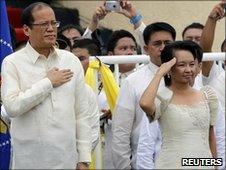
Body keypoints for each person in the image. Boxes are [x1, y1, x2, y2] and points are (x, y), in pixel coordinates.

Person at [1, 2, 91, 169]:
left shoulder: (70, 60)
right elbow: (12, 106)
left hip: (67, 161)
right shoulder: (12, 62)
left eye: (53, 23)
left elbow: (81, 114)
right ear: (27, 29)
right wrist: (48, 83)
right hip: (29, 162)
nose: (51, 29)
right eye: (44, 24)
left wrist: (84, 159)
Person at [139, 41, 218, 169]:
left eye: (192, 64)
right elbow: (145, 103)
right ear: (169, 68)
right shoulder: (163, 96)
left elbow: (211, 137)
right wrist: (159, 74)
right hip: (171, 164)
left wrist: (215, 166)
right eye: (181, 65)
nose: (188, 70)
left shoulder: (207, 95)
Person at [111, 22, 176, 169]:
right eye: (157, 43)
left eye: (168, 43)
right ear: (146, 49)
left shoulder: (190, 79)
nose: (163, 48)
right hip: (144, 164)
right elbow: (121, 132)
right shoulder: (133, 82)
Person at [72, 38, 101, 151]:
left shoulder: (113, 83)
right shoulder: (70, 89)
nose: (76, 63)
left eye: (81, 59)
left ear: (95, 60)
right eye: (74, 59)